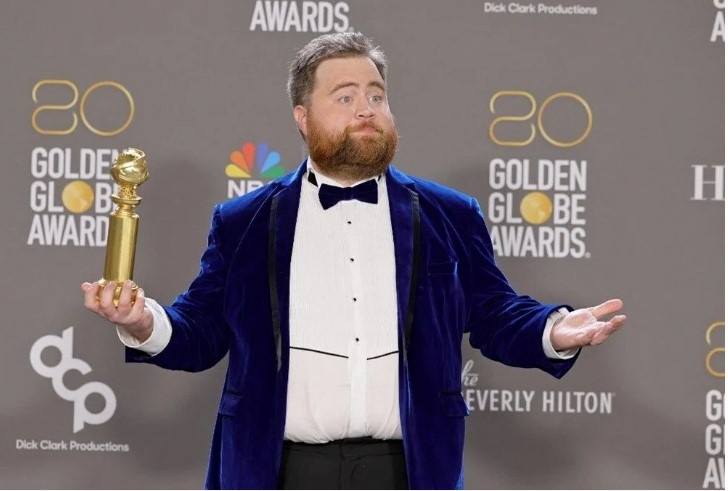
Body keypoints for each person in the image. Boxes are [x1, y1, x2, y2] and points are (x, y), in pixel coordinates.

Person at [82, 32, 626, 490]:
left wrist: (553, 330)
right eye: (345, 97)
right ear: (303, 117)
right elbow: (200, 333)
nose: (367, 108)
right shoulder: (244, 221)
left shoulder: (450, 214)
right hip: (276, 471)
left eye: (376, 95)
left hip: (409, 472)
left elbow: (495, 313)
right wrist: (143, 322)